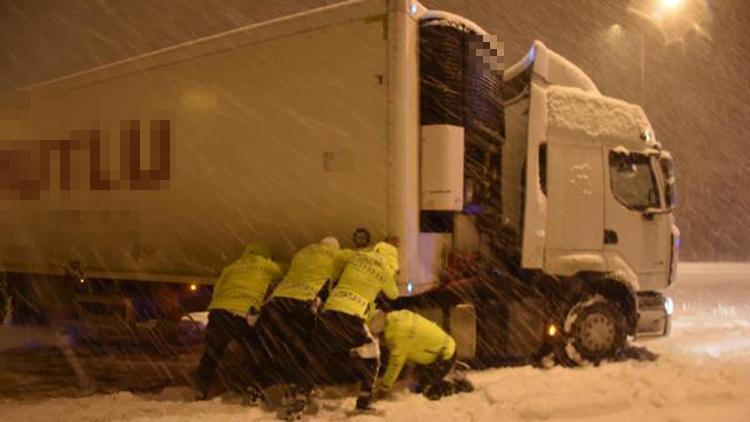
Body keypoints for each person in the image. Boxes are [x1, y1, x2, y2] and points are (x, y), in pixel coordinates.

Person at [254, 237, 354, 409]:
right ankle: (300, 389)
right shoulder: (338, 254)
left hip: (276, 302)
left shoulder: (302, 252)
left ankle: (255, 388)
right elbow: (358, 258)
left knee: (272, 348)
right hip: (302, 302)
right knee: (304, 349)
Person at [315, 241, 400, 412]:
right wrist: (393, 274)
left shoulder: (357, 255)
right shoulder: (385, 268)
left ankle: (299, 392)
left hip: (330, 311)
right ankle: (364, 402)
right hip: (352, 317)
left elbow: (337, 256)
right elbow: (394, 294)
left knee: (319, 353)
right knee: (373, 358)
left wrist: (334, 276)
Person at [195, 241, 283, 400]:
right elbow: (286, 271)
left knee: (211, 355)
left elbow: (217, 289)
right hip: (242, 314)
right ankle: (253, 387)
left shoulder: (231, 267)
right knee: (256, 352)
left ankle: (201, 389)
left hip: (219, 312)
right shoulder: (267, 265)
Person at [370, 309, 472, 400]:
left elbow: (395, 364)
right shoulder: (398, 316)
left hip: (444, 356)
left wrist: (384, 387)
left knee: (426, 391)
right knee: (415, 379)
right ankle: (445, 371)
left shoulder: (397, 337)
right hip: (444, 346)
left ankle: (456, 386)